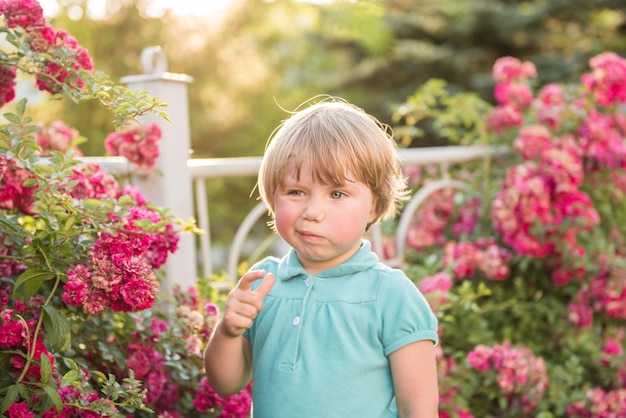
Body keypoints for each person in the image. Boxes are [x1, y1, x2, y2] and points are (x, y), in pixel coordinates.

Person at [204, 97, 439, 418]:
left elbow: (419, 408)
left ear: (373, 205)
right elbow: (226, 382)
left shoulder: (390, 294)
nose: (313, 212)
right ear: (273, 195)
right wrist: (228, 332)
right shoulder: (264, 283)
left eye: (337, 194)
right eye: (296, 192)